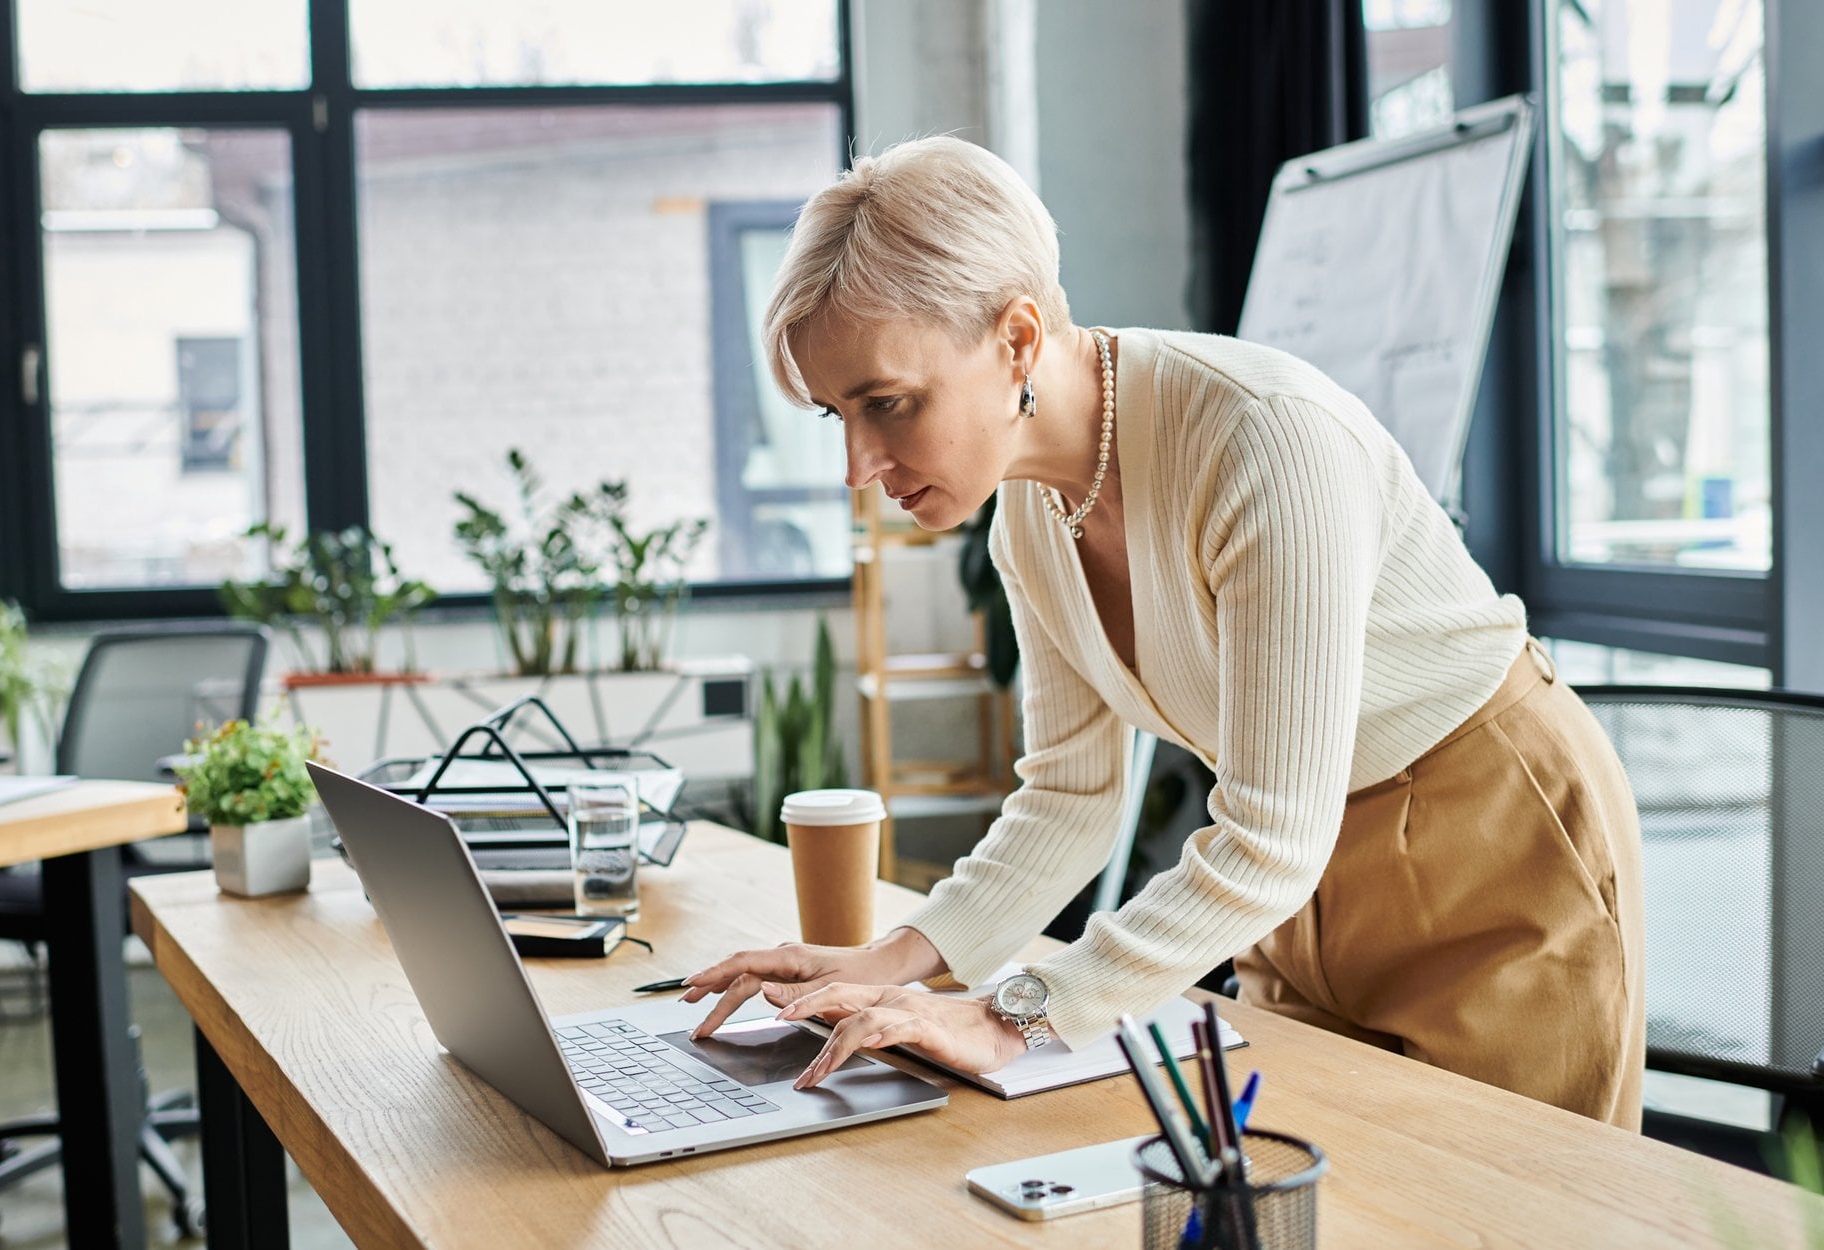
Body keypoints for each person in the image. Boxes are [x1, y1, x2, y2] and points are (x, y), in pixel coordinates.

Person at [682, 136, 1645, 1128]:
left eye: (887, 404)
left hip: (1491, 848)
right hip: (1293, 896)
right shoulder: (1030, 517)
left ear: (1016, 340)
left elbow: (1269, 834)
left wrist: (1015, 1017)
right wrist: (889, 960)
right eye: (835, 415)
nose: (858, 465)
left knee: (1505, 1196)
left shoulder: (1262, 439)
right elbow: (1070, 799)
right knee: (1282, 1190)